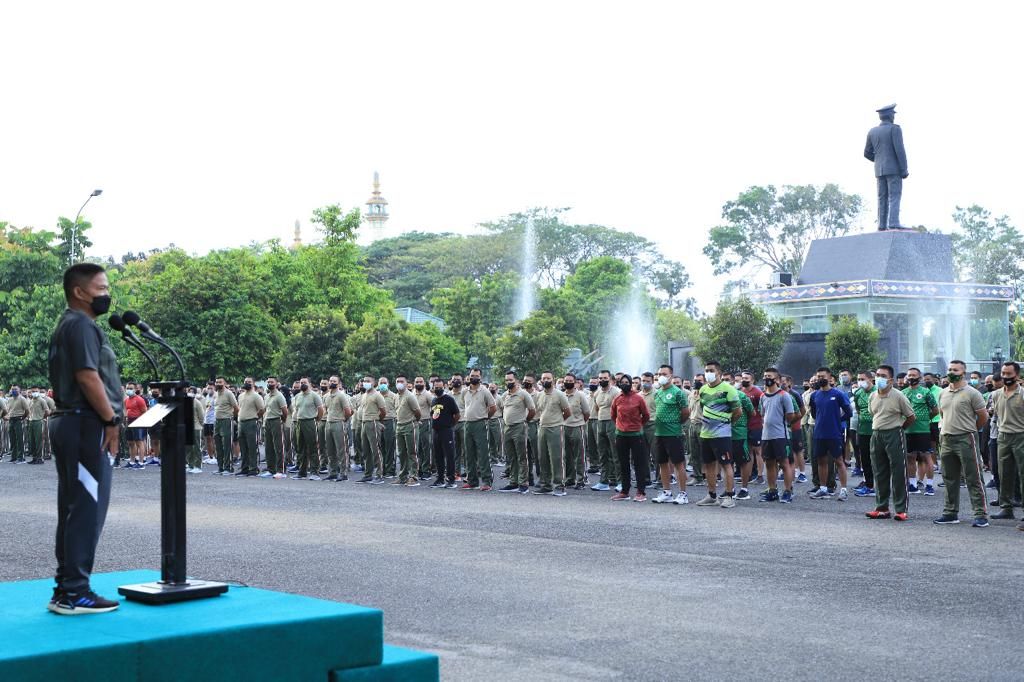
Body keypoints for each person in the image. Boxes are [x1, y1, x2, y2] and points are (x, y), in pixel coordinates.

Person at [46, 263, 123, 614]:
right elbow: (88, 377)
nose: (107, 295)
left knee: (75, 507)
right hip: (84, 423)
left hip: (73, 423)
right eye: (101, 288)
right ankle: (75, 592)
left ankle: (67, 587)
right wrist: (110, 419)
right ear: (79, 292)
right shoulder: (80, 325)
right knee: (86, 510)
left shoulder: (72, 325)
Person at [934, 360, 990, 527]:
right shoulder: (943, 393)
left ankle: (981, 514)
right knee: (949, 478)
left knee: (974, 477)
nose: (952, 372)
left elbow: (983, 417)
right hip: (946, 438)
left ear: (963, 372)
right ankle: (950, 513)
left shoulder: (972, 393)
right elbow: (943, 415)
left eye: (956, 370)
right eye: (950, 369)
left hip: (966, 438)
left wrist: (970, 430)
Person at [865, 365, 916, 521]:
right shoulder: (872, 396)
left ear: (891, 380)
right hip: (876, 434)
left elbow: (911, 417)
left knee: (899, 471)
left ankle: (900, 509)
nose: (879, 378)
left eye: (883, 375)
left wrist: (899, 429)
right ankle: (882, 508)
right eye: (877, 375)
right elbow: (872, 413)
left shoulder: (899, 396)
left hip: (894, 433)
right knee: (879, 471)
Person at [695, 361, 742, 508]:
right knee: (708, 465)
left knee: (726, 465)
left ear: (719, 373)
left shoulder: (728, 389)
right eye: (706, 370)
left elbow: (737, 412)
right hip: (705, 434)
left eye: (711, 370)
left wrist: (725, 423)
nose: (708, 373)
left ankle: (729, 496)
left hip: (722, 435)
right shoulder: (702, 389)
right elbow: (704, 408)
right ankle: (712, 496)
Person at [808, 367, 853, 501]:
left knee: (839, 461)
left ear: (829, 377)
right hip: (819, 434)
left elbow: (848, 412)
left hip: (834, 433)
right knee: (821, 461)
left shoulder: (837, 394)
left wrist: (836, 420)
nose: (820, 379)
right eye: (818, 376)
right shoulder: (814, 395)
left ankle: (843, 490)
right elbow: (814, 413)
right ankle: (823, 488)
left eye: (822, 376)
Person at [650, 364, 691, 505]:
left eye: (664, 373)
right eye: (659, 373)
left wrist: (675, 423)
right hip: (659, 433)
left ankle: (683, 494)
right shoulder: (657, 392)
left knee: (678, 463)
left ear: (671, 376)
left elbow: (686, 412)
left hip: (673, 433)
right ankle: (667, 492)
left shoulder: (677, 392)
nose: (661, 376)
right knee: (662, 463)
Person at [864, 103, 909, 230]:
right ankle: (893, 222)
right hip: (894, 169)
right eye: (893, 114)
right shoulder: (895, 129)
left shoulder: (872, 131)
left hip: (879, 170)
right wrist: (903, 169)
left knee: (881, 197)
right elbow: (900, 150)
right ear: (890, 116)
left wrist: (878, 160)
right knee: (894, 195)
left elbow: (866, 153)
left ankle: (882, 224)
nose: (894, 116)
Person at [990, 361, 1024, 530]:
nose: (1005, 377)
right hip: (1002, 436)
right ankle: (1006, 508)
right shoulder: (996, 394)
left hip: (1021, 436)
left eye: (1009, 374)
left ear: (1017, 375)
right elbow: (995, 415)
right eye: (1003, 373)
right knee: (1004, 473)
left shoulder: (1023, 393)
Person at [758, 367, 798, 503]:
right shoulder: (763, 396)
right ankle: (772, 490)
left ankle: (788, 491)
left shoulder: (784, 395)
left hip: (781, 435)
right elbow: (762, 414)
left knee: (784, 463)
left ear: (776, 379)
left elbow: (791, 415)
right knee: (769, 464)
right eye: (765, 376)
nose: (766, 379)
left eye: (769, 376)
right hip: (766, 436)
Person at [609, 374, 651, 502]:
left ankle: (641, 492)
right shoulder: (617, 399)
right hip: (621, 435)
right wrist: (621, 426)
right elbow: (613, 415)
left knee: (639, 464)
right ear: (619, 384)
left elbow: (646, 415)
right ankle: (624, 491)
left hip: (636, 435)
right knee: (623, 464)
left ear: (631, 383)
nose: (625, 384)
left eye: (627, 382)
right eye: (622, 382)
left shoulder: (638, 398)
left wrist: (637, 426)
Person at [903, 367, 939, 495]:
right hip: (908, 430)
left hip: (923, 429)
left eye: (914, 375)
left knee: (926, 456)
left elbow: (935, 410)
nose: (911, 377)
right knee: (910, 456)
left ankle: (929, 485)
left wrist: (924, 420)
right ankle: (912, 484)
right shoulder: (903, 393)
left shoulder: (926, 392)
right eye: (909, 375)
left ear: (919, 377)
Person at [534, 371, 571, 496]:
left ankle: (559, 485)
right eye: (543, 378)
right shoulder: (539, 395)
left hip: (556, 428)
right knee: (542, 458)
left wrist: (558, 422)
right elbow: (539, 411)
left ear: (553, 379)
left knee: (557, 458)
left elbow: (567, 412)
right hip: (542, 428)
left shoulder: (560, 395)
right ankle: (545, 485)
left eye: (548, 378)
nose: (545, 380)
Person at [498, 371, 536, 494]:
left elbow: (532, 410)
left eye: (510, 380)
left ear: (517, 381)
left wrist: (525, 421)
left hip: (519, 427)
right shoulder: (505, 395)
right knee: (511, 457)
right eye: (507, 380)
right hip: (507, 428)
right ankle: (513, 482)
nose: (508, 382)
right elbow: (502, 408)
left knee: (522, 456)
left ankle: (523, 483)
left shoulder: (523, 394)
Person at [461, 368, 497, 491]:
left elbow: (493, 407)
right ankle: (472, 481)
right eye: (472, 375)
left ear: (480, 378)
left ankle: (487, 481)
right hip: (468, 424)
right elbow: (465, 405)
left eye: (476, 376)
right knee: (469, 453)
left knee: (483, 453)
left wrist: (486, 417)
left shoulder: (485, 391)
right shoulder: (464, 392)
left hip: (480, 423)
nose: (474, 377)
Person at [591, 369, 620, 492]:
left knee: (616, 453)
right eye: (600, 378)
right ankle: (604, 482)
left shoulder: (616, 392)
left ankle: (621, 482)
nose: (602, 380)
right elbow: (597, 408)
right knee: (602, 454)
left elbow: (620, 409)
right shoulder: (597, 393)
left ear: (610, 378)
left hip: (613, 423)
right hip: (600, 423)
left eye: (605, 378)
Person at [429, 377, 460, 489]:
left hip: (446, 430)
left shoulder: (449, 399)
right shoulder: (433, 400)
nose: (438, 389)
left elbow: (457, 415)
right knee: (438, 456)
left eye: (440, 387)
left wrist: (450, 425)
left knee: (449, 455)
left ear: (444, 387)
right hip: (435, 431)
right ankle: (440, 479)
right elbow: (432, 414)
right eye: (436, 387)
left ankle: (451, 480)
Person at [561, 373, 591, 490]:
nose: (568, 382)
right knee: (567, 455)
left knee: (580, 455)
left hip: (577, 427)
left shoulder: (580, 395)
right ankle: (570, 479)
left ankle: (581, 479)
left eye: (570, 380)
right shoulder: (561, 395)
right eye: (566, 380)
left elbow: (586, 412)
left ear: (574, 382)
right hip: (564, 427)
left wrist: (580, 422)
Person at [290, 378, 324, 480]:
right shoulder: (298, 396)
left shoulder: (314, 396)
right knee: (300, 448)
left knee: (312, 447)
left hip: (310, 421)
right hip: (299, 422)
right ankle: (302, 471)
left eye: (305, 382)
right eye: (301, 383)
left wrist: (316, 420)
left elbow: (320, 410)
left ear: (309, 384)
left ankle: (314, 472)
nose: (302, 384)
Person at [357, 375, 387, 484]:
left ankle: (379, 475)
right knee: (366, 450)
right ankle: (368, 474)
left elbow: (383, 411)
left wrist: (377, 421)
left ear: (374, 383)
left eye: (368, 381)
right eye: (364, 381)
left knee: (375, 450)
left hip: (373, 422)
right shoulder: (364, 395)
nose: (366, 383)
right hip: (364, 423)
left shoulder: (377, 395)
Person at [392, 375, 421, 486]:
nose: (399, 383)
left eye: (401, 381)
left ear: (406, 383)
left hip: (410, 425)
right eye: (397, 381)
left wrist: (415, 422)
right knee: (401, 453)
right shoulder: (396, 396)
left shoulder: (410, 396)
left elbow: (418, 412)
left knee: (412, 452)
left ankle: (414, 476)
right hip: (399, 426)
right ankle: (402, 476)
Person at [852, 371, 876, 497]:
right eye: (858, 379)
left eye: (863, 379)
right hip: (863, 430)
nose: (860, 381)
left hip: (877, 430)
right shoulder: (857, 393)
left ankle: (882, 486)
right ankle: (869, 485)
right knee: (865, 459)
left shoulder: (878, 391)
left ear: (871, 379)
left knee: (878, 459)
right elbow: (858, 410)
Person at [324, 376, 353, 482]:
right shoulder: (326, 396)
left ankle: (343, 473)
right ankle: (332, 472)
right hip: (329, 423)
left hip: (338, 423)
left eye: (334, 381)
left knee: (341, 449)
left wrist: (343, 421)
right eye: (330, 381)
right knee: (330, 450)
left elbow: (348, 411)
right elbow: (326, 409)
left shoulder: (341, 396)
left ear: (338, 383)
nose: (332, 382)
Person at [235, 377, 265, 477]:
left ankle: (253, 468)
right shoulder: (241, 395)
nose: (247, 383)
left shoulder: (256, 396)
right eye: (245, 382)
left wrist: (255, 417)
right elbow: (240, 408)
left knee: (252, 447)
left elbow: (261, 409)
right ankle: (244, 468)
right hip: (241, 423)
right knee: (243, 447)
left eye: (249, 382)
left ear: (253, 383)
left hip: (251, 422)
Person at [261, 377, 288, 479]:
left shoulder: (279, 396)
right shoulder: (267, 396)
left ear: (276, 384)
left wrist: (282, 421)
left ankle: (281, 470)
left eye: (272, 382)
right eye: (268, 382)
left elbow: (285, 411)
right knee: (268, 446)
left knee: (278, 446)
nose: (269, 383)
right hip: (267, 421)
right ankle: (270, 469)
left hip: (276, 420)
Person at [212, 377, 238, 474]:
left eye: (220, 382)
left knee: (227, 445)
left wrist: (232, 417)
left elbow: (236, 408)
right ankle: (220, 467)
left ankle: (228, 468)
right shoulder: (216, 394)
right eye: (217, 382)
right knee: (218, 444)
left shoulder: (229, 393)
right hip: (217, 421)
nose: (218, 383)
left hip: (227, 420)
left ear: (225, 383)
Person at [6, 385, 28, 462]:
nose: (13, 390)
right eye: (12, 389)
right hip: (11, 420)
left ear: (19, 390)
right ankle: (13, 456)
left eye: (15, 389)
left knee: (20, 439)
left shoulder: (22, 399)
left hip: (19, 419)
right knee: (12, 439)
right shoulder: (10, 399)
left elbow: (27, 410)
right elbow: (8, 410)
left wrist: (23, 418)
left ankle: (21, 457)